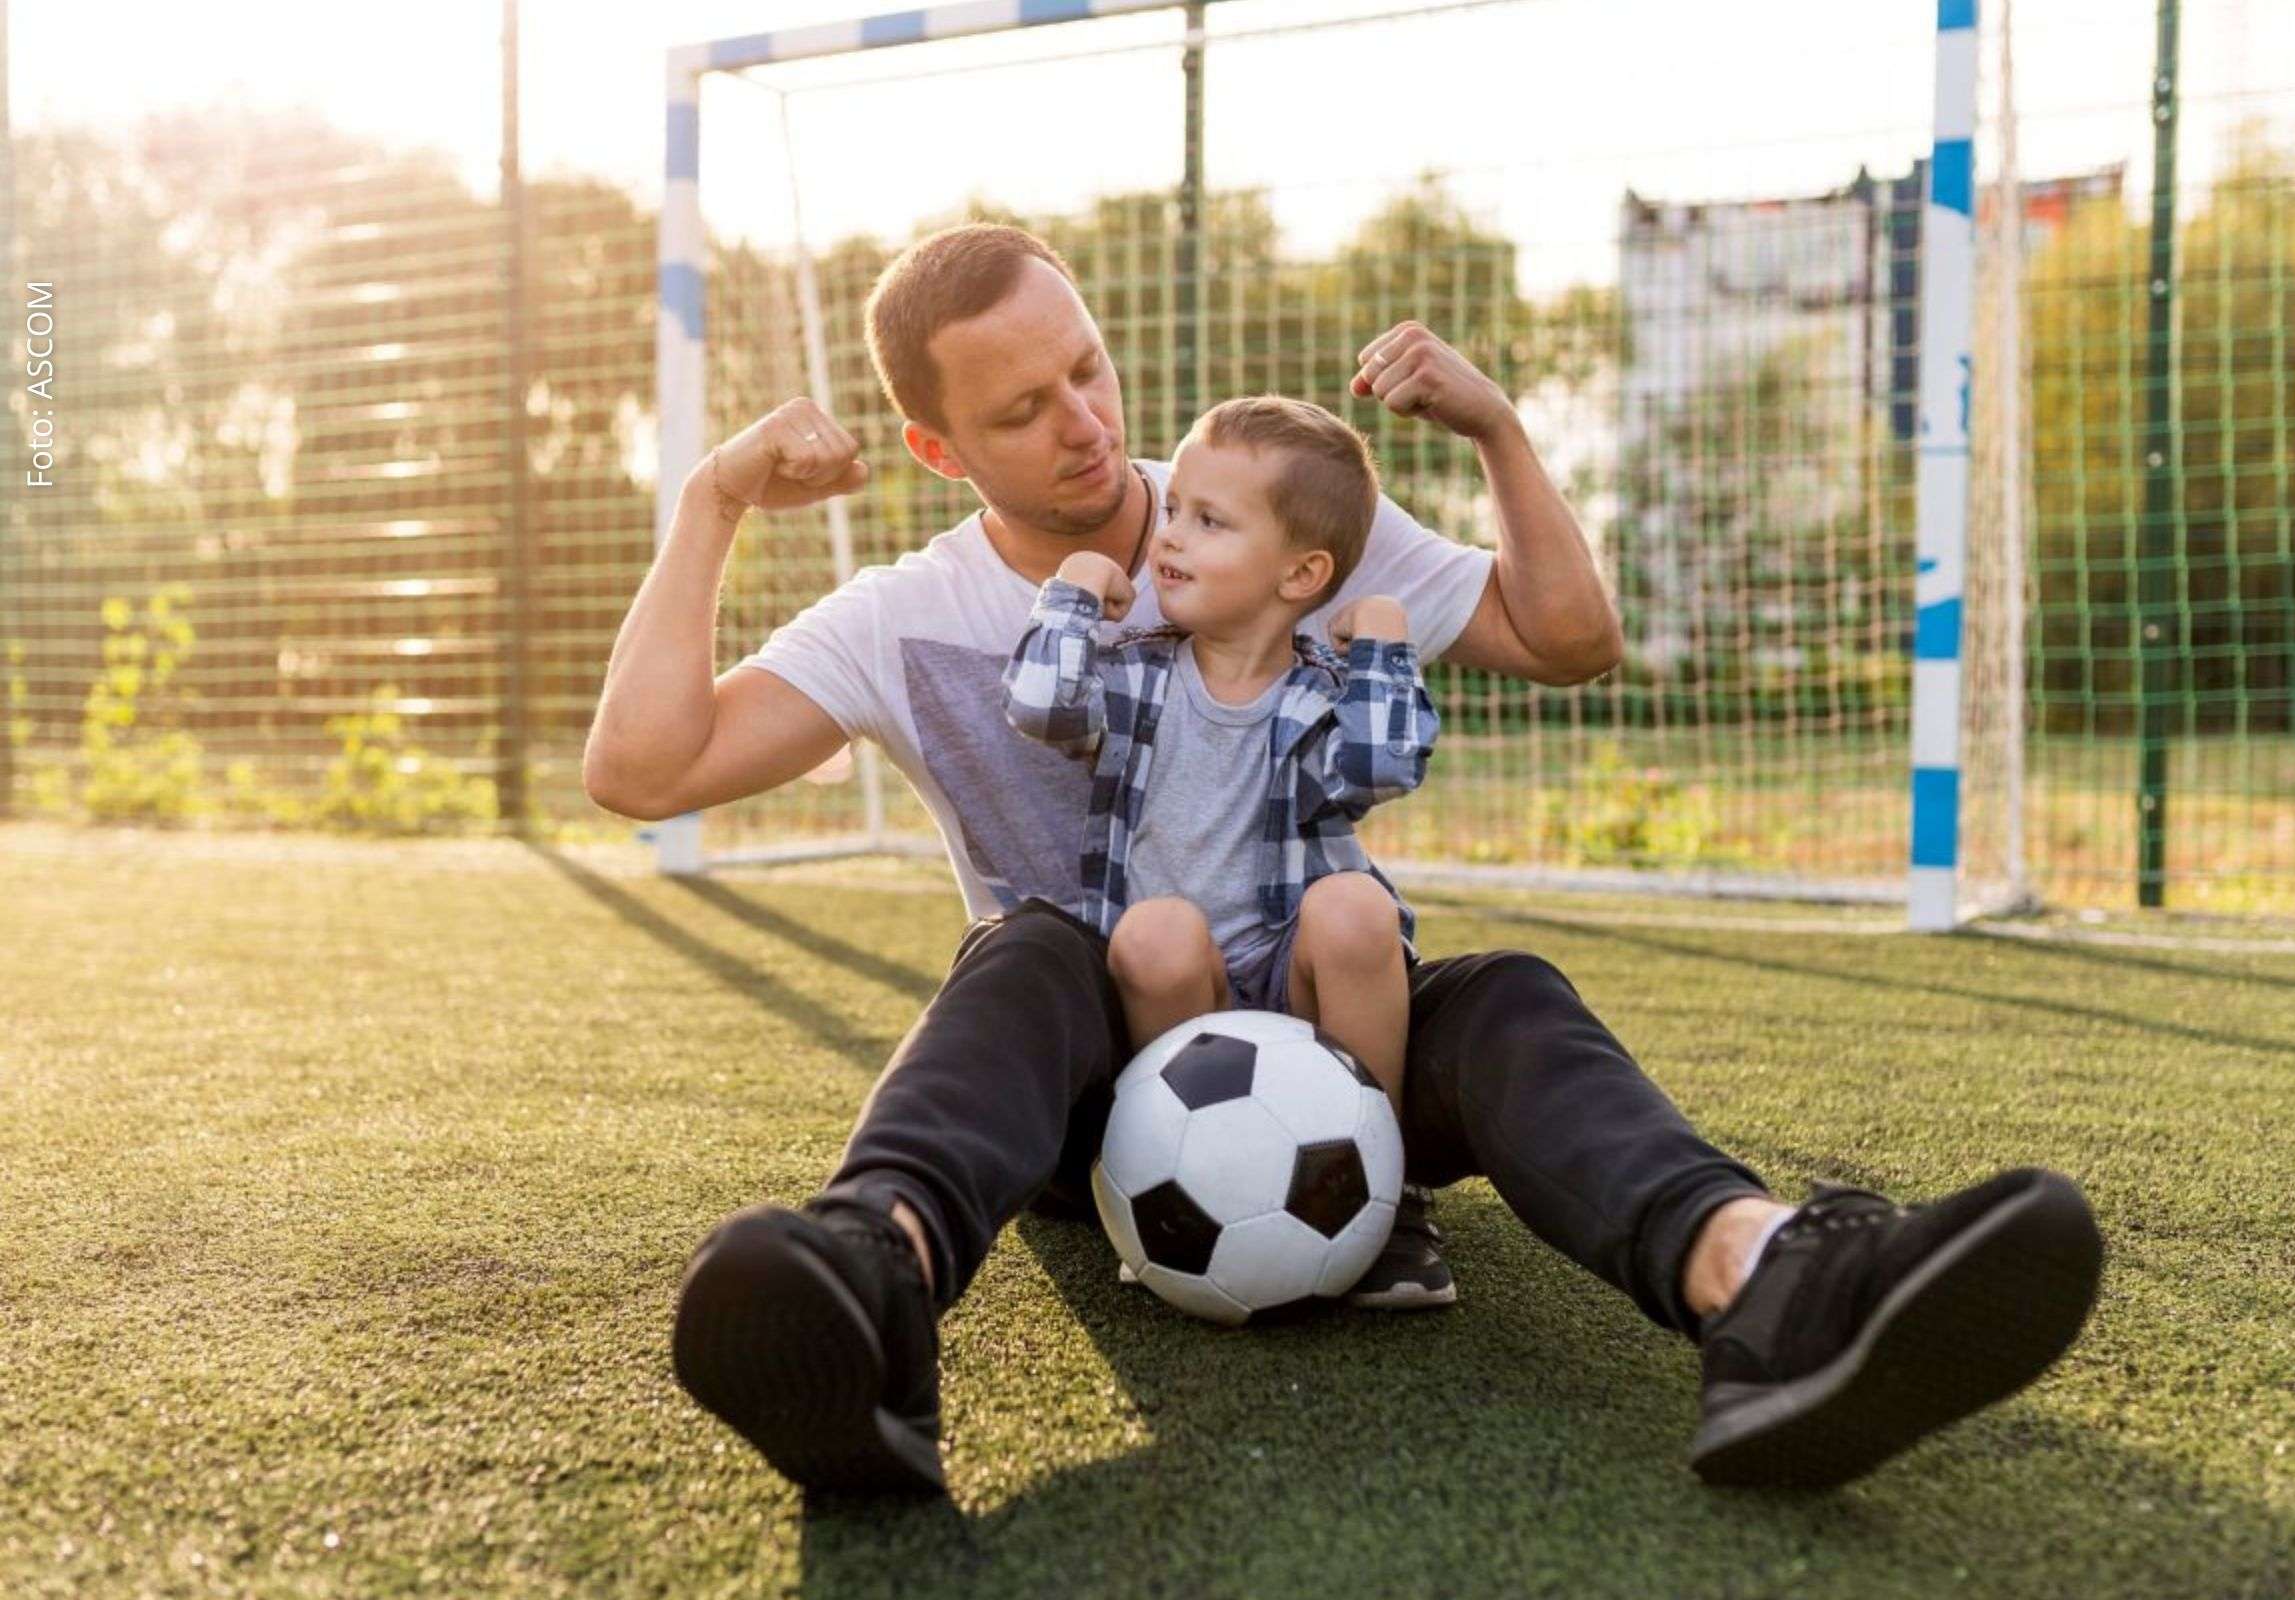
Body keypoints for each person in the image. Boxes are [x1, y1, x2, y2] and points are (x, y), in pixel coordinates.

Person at [583, 224, 2103, 1499]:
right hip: (1090, 1084)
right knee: (1031, 947)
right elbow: (640, 769)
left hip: (1335, 1048)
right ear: (938, 448)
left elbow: (1568, 638)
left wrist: (1501, 432)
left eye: (1088, 368)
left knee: (1502, 996)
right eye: (1024, 410)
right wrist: (715, 497)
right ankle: (869, 1292)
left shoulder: (1262, 510)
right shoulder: (902, 618)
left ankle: (1769, 1286)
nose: (1086, 422)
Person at [1002, 394, 1450, 1306]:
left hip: (1295, 975)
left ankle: (1388, 1195)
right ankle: (1180, 1179)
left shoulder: (1322, 695)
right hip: (1178, 990)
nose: (1170, 535)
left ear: (1301, 574)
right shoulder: (1135, 675)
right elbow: (1040, 707)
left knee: (1356, 906)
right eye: (1174, 509)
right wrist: (1075, 590)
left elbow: (1382, 765)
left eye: (1210, 521)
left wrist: (1385, 643)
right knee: (1154, 931)